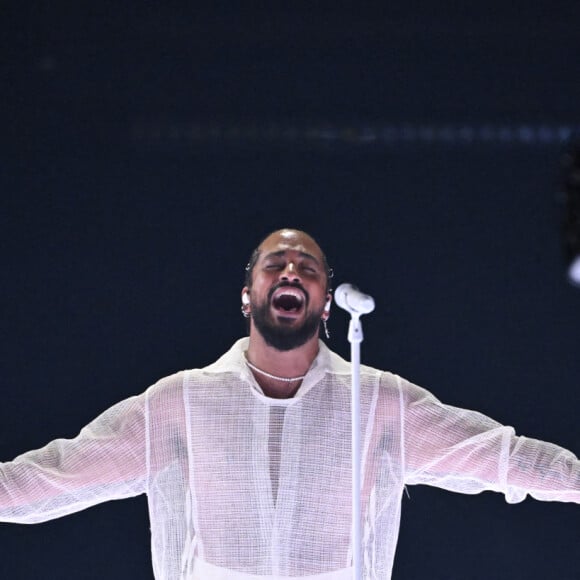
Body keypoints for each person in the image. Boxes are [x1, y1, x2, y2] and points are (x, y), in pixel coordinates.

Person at [0, 228, 579, 580]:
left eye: (307, 268)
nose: (291, 271)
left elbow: (505, 459)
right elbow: (55, 477)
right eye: (274, 264)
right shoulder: (181, 403)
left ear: (327, 304)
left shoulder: (375, 403)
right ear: (248, 297)